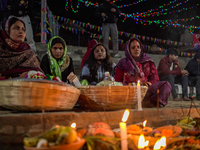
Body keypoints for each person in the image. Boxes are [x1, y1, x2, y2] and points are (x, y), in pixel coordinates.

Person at [115, 38, 172, 107]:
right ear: (128, 50)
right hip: (129, 92)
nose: (136, 49)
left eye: (138, 47)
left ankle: (153, 102)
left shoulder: (147, 61)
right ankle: (138, 102)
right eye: (133, 48)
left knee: (166, 84)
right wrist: (131, 87)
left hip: (145, 91)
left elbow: (155, 78)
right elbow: (117, 82)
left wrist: (147, 84)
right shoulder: (123, 63)